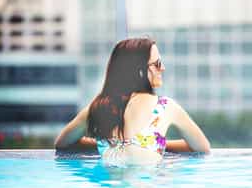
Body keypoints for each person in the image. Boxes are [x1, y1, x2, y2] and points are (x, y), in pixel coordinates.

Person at [55, 38, 210, 165]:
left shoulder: (98, 107)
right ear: (140, 70)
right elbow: (202, 148)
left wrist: (104, 143)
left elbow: (62, 143)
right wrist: (158, 144)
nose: (162, 68)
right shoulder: (165, 107)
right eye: (157, 64)